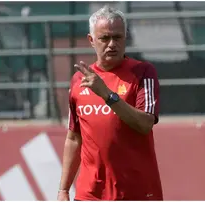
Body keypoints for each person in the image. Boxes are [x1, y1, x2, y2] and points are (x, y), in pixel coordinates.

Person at [57, 5, 163, 201]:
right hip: (90, 195)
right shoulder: (78, 81)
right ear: (91, 40)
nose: (112, 44)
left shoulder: (143, 73)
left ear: (125, 37)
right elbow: (74, 138)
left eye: (117, 37)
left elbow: (145, 124)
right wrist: (63, 190)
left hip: (135, 193)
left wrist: (107, 94)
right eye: (105, 38)